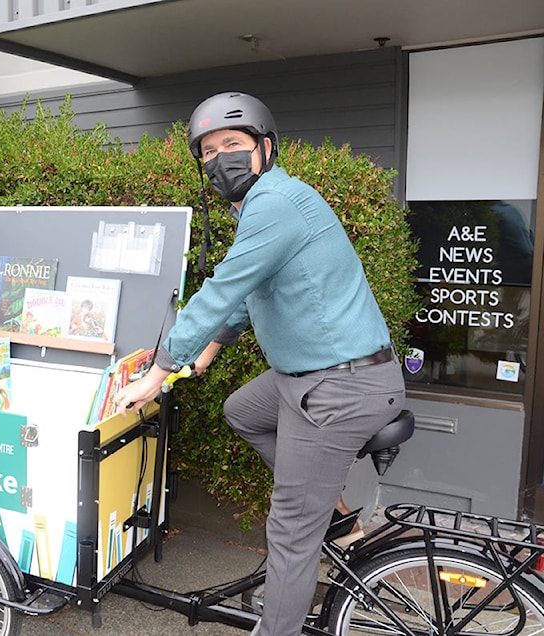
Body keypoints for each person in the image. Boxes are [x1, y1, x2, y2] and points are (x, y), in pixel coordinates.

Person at [114, 92, 405, 636]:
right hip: (318, 378)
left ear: (264, 148)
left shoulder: (276, 203)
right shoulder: (262, 205)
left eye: (233, 144)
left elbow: (221, 288)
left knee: (291, 533)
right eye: (208, 150)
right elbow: (249, 294)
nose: (219, 157)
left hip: (341, 386)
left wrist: (157, 373)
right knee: (243, 410)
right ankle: (336, 514)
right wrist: (205, 352)